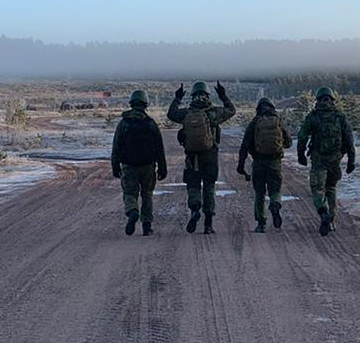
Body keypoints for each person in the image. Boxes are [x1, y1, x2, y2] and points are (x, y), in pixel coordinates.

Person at [167, 81, 235, 234]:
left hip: (192, 157)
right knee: (209, 187)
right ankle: (208, 224)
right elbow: (231, 110)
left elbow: (171, 114)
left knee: (193, 185)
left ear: (193, 96)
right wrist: (223, 95)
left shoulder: (186, 114)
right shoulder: (214, 113)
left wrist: (177, 98)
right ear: (207, 95)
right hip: (210, 155)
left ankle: (195, 209)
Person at [296, 87, 356, 236]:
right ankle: (331, 220)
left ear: (318, 100)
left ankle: (323, 213)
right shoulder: (339, 116)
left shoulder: (313, 116)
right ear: (332, 99)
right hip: (335, 160)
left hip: (318, 160)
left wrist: (301, 155)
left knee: (317, 189)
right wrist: (351, 161)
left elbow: (302, 136)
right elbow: (349, 140)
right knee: (331, 189)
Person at [111, 90, 168, 236]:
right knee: (147, 194)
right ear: (145, 104)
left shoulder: (123, 123)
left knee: (130, 193)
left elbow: (116, 146)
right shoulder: (150, 124)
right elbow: (159, 147)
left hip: (129, 166)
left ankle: (132, 211)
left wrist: (115, 165)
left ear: (131, 103)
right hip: (148, 166)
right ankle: (147, 227)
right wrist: (162, 167)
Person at [237, 98, 292, 233]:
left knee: (259, 193)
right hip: (274, 163)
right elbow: (289, 142)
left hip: (258, 162)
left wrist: (241, 165)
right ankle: (275, 204)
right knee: (275, 190)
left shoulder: (255, 122)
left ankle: (261, 223)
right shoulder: (278, 121)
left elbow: (244, 144)